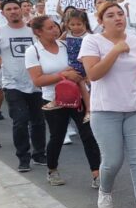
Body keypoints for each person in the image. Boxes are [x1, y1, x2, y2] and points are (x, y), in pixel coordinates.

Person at [78, 2, 136, 208]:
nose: (117, 18)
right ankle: (105, 190)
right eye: (110, 15)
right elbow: (93, 75)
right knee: (113, 160)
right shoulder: (92, 41)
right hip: (106, 111)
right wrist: (114, 51)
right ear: (101, 21)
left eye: (120, 14)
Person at [24, 16, 100, 188]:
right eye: (50, 27)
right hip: (53, 100)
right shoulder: (33, 51)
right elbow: (37, 80)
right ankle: (52, 170)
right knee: (57, 137)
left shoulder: (66, 45)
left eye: (56, 26)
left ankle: (97, 174)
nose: (55, 30)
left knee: (88, 135)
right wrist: (63, 75)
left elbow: (78, 66)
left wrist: (82, 75)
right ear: (38, 32)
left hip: (77, 96)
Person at [0, 0, 47, 172]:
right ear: (3, 13)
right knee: (20, 121)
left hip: (36, 83)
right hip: (12, 84)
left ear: (21, 10)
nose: (13, 11)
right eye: (9, 9)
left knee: (38, 121)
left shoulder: (34, 31)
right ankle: (23, 157)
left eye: (15, 8)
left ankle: (39, 153)